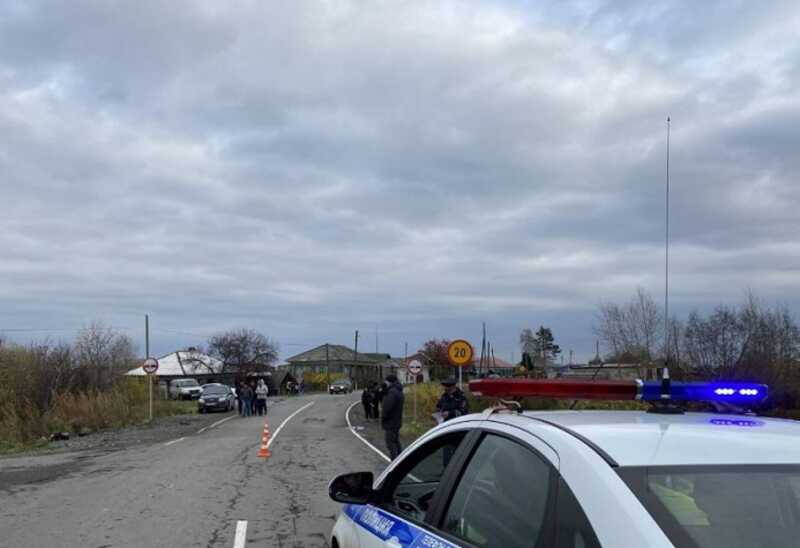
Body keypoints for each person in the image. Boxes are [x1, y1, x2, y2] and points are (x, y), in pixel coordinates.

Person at [381, 374, 404, 459]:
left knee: (390, 443)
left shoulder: (392, 393)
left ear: (389, 382)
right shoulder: (398, 390)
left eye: (386, 381)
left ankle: (395, 462)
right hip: (396, 421)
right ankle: (401, 459)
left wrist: (383, 416)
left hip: (391, 422)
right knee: (396, 441)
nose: (385, 383)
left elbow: (387, 408)